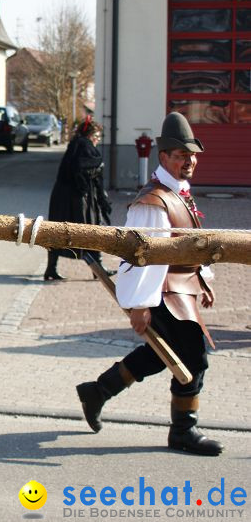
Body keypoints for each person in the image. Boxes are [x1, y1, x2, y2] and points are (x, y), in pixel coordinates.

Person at [75, 112, 222, 456]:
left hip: (180, 291)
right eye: (182, 155)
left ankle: (98, 390)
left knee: (161, 355)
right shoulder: (153, 201)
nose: (190, 161)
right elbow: (144, 255)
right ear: (164, 157)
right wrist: (139, 304)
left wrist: (203, 278)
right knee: (193, 362)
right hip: (163, 295)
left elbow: (189, 244)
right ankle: (184, 432)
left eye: (193, 155)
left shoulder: (179, 193)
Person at [44, 120, 114, 281]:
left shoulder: (76, 144)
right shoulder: (84, 145)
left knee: (59, 230)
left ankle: (51, 269)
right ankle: (98, 270)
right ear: (90, 134)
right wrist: (98, 167)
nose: (98, 139)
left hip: (64, 195)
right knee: (88, 230)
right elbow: (81, 169)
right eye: (96, 136)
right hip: (75, 198)